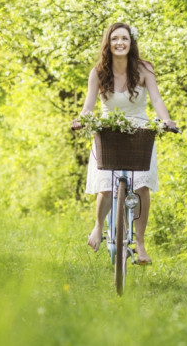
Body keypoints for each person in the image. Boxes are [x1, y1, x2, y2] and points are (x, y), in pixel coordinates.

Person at [72, 22, 178, 265]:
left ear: (131, 43)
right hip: (109, 130)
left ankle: (140, 244)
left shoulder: (144, 69)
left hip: (139, 130)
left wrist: (166, 120)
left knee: (141, 187)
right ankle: (99, 227)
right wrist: (81, 120)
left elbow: (157, 99)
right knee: (107, 187)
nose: (120, 43)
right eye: (115, 38)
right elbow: (89, 107)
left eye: (125, 39)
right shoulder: (98, 72)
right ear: (108, 43)